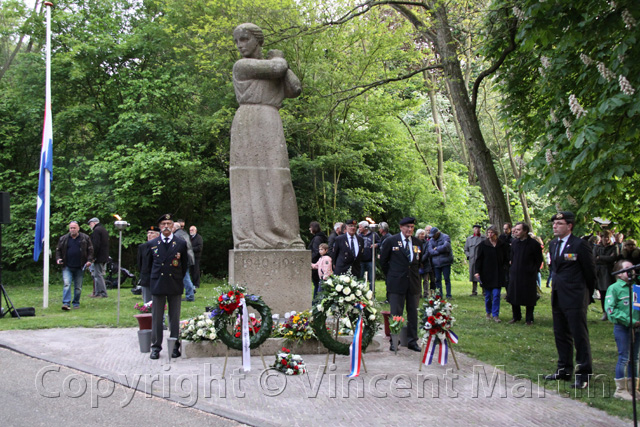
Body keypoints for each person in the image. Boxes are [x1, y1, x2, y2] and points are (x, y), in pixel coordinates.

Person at [229, 23, 304, 250]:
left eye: (244, 39)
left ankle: (287, 236)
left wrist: (282, 63)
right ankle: (247, 237)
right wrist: (279, 59)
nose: (240, 46)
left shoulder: (274, 66)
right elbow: (277, 68)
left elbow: (295, 88)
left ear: (257, 40)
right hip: (248, 120)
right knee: (247, 179)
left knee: (278, 176)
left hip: (270, 120)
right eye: (237, 41)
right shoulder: (242, 66)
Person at [544, 211, 596, 389]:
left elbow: (590, 272)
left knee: (579, 335)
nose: (555, 226)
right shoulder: (553, 245)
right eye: (554, 223)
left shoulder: (580, 245)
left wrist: (586, 295)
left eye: (559, 223)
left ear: (569, 226)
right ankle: (564, 369)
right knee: (561, 333)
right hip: (558, 294)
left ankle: (583, 374)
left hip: (575, 297)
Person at [146, 214, 188, 360]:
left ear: (173, 226)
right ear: (159, 226)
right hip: (158, 283)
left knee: (174, 317)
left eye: (169, 223)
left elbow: (185, 264)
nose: (166, 226)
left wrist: (178, 278)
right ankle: (156, 347)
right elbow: (148, 265)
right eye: (163, 223)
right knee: (157, 317)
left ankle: (174, 345)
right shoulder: (153, 244)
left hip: (174, 282)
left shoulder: (180, 243)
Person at [380, 217, 422, 352]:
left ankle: (412, 340)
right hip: (397, 283)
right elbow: (383, 262)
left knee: (413, 313)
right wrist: (393, 275)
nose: (409, 229)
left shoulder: (417, 242)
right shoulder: (391, 241)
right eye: (407, 227)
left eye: (412, 227)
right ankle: (394, 340)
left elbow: (418, 262)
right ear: (400, 227)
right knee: (396, 313)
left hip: (413, 283)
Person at [605, 259, 640, 400]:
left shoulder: (636, 287)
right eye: (626, 269)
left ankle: (633, 388)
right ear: (619, 273)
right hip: (623, 327)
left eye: (632, 268)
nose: (631, 271)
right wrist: (631, 321)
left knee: (635, 358)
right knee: (624, 357)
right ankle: (620, 389)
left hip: (638, 328)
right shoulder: (614, 288)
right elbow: (610, 310)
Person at [507, 222, 543, 325]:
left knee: (529, 297)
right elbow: (512, 256)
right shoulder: (514, 243)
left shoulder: (534, 244)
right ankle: (516, 316)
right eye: (516, 230)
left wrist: (533, 270)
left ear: (525, 231)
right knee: (514, 295)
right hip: (515, 273)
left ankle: (529, 318)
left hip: (528, 275)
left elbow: (538, 260)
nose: (516, 232)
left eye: (518, 230)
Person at [55, 221, 94, 310]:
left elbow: (90, 250)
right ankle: (66, 303)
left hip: (80, 266)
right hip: (67, 265)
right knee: (67, 284)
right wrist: (58, 259)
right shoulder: (63, 238)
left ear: (78, 228)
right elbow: (58, 250)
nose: (72, 230)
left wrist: (89, 260)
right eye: (71, 228)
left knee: (78, 287)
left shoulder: (85, 238)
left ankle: (76, 303)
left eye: (74, 228)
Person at [475, 225, 509, 323]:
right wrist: (477, 272)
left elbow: (507, 258)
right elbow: (479, 260)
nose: (490, 235)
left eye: (492, 233)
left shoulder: (502, 245)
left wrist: (505, 267)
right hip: (486, 273)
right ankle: (488, 312)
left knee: (496, 294)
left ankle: (495, 314)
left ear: (496, 234)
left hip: (498, 273)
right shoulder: (483, 245)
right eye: (488, 233)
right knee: (488, 296)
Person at [594, 229, 619, 321]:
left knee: (611, 292)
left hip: (609, 271)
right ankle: (605, 312)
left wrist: (600, 257)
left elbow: (613, 258)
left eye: (608, 237)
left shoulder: (614, 247)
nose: (606, 239)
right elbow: (594, 258)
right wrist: (603, 258)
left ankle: (612, 311)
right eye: (604, 237)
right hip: (600, 272)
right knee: (602, 292)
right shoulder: (597, 247)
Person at [427, 227, 454, 299]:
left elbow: (446, 247)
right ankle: (439, 295)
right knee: (437, 279)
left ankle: (448, 295)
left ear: (437, 233)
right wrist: (439, 251)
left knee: (446, 279)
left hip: (445, 262)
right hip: (436, 263)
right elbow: (430, 250)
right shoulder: (431, 240)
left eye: (433, 235)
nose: (432, 237)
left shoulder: (445, 237)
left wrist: (436, 248)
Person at [172, 222, 196, 302]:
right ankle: (191, 291)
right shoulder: (184, 233)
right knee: (186, 276)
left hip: (183, 258)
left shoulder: (176, 235)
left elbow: (178, 248)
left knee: (185, 277)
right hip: (189, 257)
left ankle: (190, 295)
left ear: (175, 228)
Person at [87, 217, 109, 298]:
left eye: (90, 224)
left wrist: (92, 256)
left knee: (98, 275)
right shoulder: (103, 230)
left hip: (99, 256)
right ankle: (97, 292)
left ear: (94, 223)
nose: (90, 226)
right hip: (104, 256)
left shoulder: (96, 231)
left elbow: (95, 245)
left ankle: (102, 293)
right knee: (98, 274)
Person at [137, 226, 160, 303]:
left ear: (157, 235)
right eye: (148, 233)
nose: (149, 235)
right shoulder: (142, 247)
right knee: (147, 300)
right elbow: (140, 263)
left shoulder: (160, 246)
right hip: (146, 276)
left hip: (157, 276)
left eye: (152, 233)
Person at [308, 221, 327, 299]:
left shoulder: (316, 238)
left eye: (310, 227)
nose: (309, 229)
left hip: (316, 265)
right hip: (319, 263)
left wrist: (310, 260)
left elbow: (316, 252)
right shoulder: (320, 237)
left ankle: (315, 302)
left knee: (317, 285)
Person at [358, 221, 379, 288]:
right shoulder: (359, 235)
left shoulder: (374, 234)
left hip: (371, 260)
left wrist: (376, 245)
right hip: (361, 260)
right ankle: (359, 294)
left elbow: (381, 243)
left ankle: (372, 295)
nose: (359, 229)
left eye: (360, 227)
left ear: (365, 227)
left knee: (371, 278)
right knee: (360, 278)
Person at [464, 224, 484, 297]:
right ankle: (474, 291)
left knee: (482, 275)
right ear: (473, 230)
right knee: (473, 275)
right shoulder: (469, 239)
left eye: (478, 229)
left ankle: (484, 290)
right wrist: (468, 256)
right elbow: (466, 249)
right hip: (472, 260)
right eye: (475, 228)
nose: (477, 230)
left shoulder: (483, 238)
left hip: (481, 260)